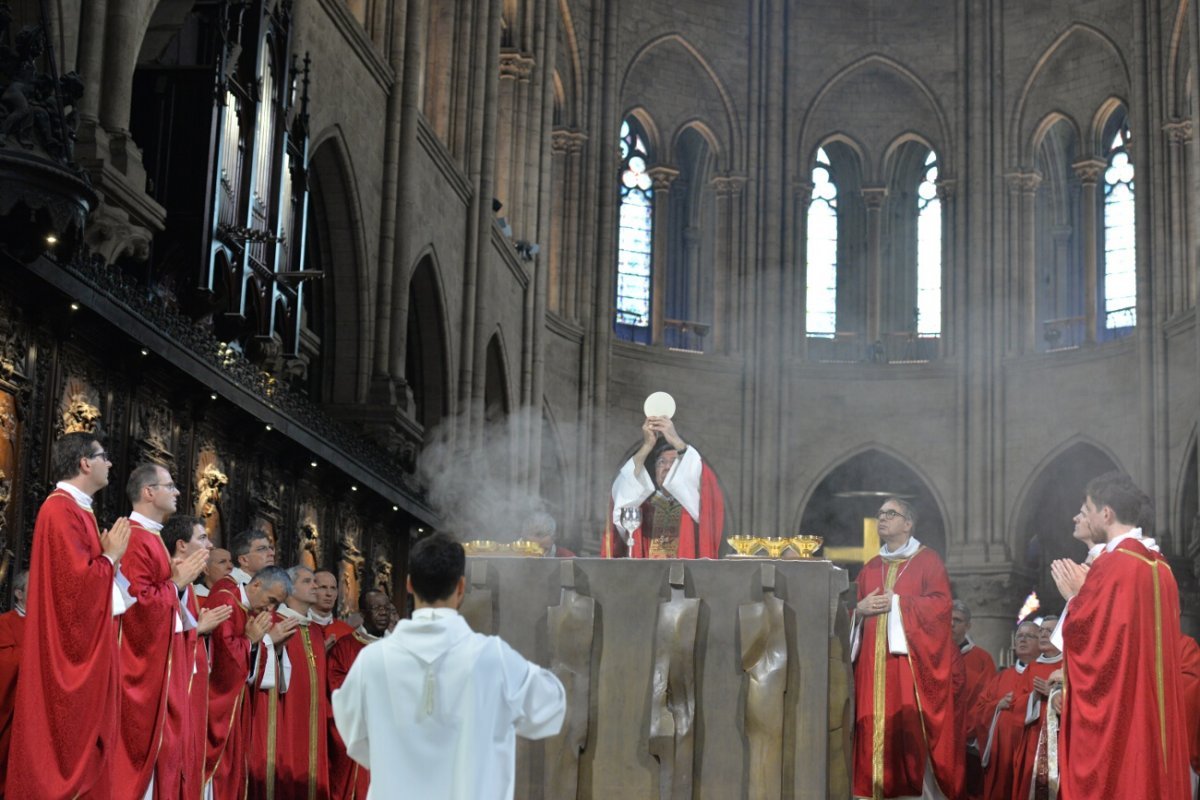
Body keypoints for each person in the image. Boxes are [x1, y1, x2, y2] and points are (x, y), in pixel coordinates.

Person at [332, 533, 566, 799]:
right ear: (461, 587)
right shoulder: (493, 658)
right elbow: (550, 710)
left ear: (409, 585)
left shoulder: (373, 661)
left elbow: (354, 736)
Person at [1050, 472, 1191, 798]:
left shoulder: (1113, 565)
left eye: (1087, 508)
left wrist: (1073, 599)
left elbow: (1095, 644)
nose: (1082, 514)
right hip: (1152, 703)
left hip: (1122, 707)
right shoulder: (1161, 566)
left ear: (1106, 513)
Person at [8, 433, 133, 798]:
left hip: (89, 646)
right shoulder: (60, 509)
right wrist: (110, 557)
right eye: (103, 456)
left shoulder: (79, 510)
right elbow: (74, 589)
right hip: (67, 654)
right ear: (84, 463)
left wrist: (111, 559)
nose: (110, 464)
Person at [851, 496, 963, 800]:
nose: (882, 518)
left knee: (906, 738)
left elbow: (942, 609)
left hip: (906, 672)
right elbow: (851, 617)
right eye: (880, 514)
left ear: (908, 523)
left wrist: (899, 603)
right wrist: (858, 611)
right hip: (870, 675)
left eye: (891, 513)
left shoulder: (928, 561)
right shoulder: (870, 568)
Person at [115, 463, 210, 798]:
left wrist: (177, 588)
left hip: (161, 671)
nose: (178, 492)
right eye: (170, 486)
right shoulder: (135, 538)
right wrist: (177, 586)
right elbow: (134, 608)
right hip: (139, 675)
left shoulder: (152, 538)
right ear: (148, 492)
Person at [204, 564, 296, 796]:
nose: (271, 608)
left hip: (236, 708)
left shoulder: (247, 609)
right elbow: (223, 663)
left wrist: (259, 643)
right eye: (271, 599)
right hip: (214, 708)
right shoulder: (226, 600)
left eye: (277, 604)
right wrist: (250, 639)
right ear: (255, 584)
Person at [161, 514, 231, 800]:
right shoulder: (168, 577)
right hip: (168, 696)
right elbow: (152, 635)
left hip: (189, 692)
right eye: (202, 538)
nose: (210, 545)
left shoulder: (187, 584)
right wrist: (197, 630)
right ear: (181, 545)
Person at [247, 565, 330, 798]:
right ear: (290, 590)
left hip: (310, 721)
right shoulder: (272, 620)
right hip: (282, 720)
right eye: (308, 581)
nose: (315, 586)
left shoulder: (314, 630)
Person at [603, 416, 724, 558]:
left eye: (673, 462)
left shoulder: (694, 507)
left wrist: (676, 441)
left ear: (683, 470)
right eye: (661, 462)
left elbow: (705, 486)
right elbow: (622, 496)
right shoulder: (643, 508)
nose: (666, 467)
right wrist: (647, 446)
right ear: (654, 470)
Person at [327, 589, 391, 799]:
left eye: (386, 608)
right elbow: (339, 689)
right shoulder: (345, 647)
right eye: (376, 608)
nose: (383, 613)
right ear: (363, 613)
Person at [970, 620, 1038, 800]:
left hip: (1031, 753)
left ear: (1041, 643)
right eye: (1019, 636)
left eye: (1030, 636)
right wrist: (997, 706)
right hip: (1002, 754)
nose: (1023, 640)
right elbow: (980, 709)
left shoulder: (1045, 674)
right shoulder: (1003, 677)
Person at [1011, 616, 1064, 800]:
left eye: (1050, 631)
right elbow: (1016, 706)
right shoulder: (1032, 668)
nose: (1043, 634)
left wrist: (1055, 693)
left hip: (1061, 739)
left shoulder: (1069, 664)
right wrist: (1033, 697)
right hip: (1033, 739)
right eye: (1041, 630)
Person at [953, 599, 996, 800]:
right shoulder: (931, 655)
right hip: (934, 738)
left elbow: (986, 701)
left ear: (968, 625)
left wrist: (968, 732)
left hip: (968, 742)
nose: (951, 624)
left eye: (957, 620)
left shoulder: (982, 660)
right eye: (947, 619)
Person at [0, 570, 27, 794]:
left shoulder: (51, 626)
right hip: (14, 714)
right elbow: (4, 666)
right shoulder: (5, 623)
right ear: (19, 593)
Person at [310, 569, 355, 645]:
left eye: (333, 588)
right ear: (311, 590)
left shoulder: (347, 632)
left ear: (337, 593)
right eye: (323, 587)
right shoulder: (298, 627)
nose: (329, 593)